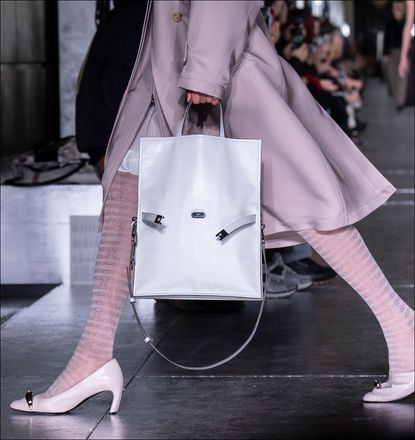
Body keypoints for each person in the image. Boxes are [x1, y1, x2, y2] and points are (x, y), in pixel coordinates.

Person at [10, 0, 414, 413]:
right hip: (176, 53)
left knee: (302, 195)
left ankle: (403, 328)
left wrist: (205, 66)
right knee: (125, 185)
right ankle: (92, 354)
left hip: (212, 62)